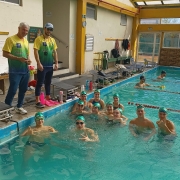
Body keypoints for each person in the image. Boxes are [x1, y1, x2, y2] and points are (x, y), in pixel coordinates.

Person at [2, 22, 31, 114]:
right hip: (15, 71)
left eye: (27, 31)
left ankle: (19, 106)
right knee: (13, 90)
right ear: (19, 29)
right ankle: (6, 109)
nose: (25, 32)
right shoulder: (11, 39)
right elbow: (5, 53)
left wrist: (29, 60)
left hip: (25, 70)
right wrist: (18, 58)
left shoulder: (26, 41)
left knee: (23, 90)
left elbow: (27, 54)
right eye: (24, 30)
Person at [34, 23, 58, 108]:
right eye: (48, 29)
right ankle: (37, 100)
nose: (49, 31)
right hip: (42, 65)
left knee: (48, 82)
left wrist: (56, 63)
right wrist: (38, 63)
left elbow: (54, 52)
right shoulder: (38, 39)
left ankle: (48, 96)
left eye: (51, 29)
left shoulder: (52, 40)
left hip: (50, 65)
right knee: (40, 83)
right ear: (45, 29)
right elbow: (36, 51)